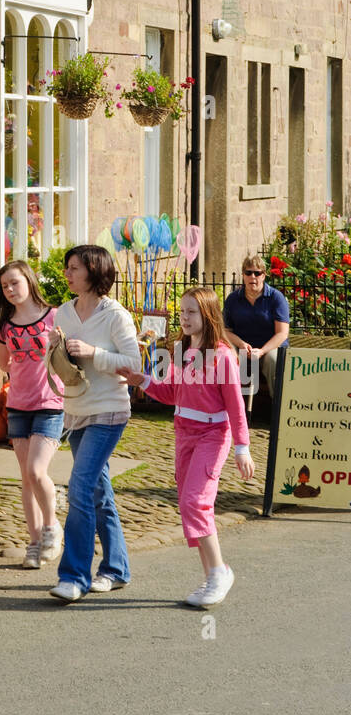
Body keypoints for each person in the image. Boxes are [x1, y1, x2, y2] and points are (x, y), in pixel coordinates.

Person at [120, 286, 255, 608]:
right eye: (182, 312)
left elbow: (236, 407)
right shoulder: (183, 351)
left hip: (212, 435)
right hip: (184, 434)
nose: (184, 318)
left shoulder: (223, 356)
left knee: (196, 501)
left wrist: (242, 447)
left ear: (208, 315)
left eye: (191, 312)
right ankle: (212, 575)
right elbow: (172, 394)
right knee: (187, 503)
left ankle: (219, 572)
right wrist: (144, 381)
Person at [48, 246, 141, 603]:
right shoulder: (64, 312)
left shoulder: (115, 315)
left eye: (74, 268)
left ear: (94, 271)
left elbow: (133, 364)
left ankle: (73, 576)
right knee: (99, 493)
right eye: (67, 268)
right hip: (77, 411)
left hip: (109, 411)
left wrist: (92, 354)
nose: (68, 274)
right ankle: (116, 569)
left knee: (79, 488)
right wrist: (57, 350)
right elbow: (62, 363)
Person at [0, 260, 64, 569]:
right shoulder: (3, 327)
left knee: (36, 471)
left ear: (29, 281)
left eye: (15, 283)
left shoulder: (55, 316)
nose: (10, 290)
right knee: (26, 478)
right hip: (18, 404)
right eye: (5, 286)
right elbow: (5, 365)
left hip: (50, 403)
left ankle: (51, 526)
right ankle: (33, 542)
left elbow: (68, 355)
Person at [222, 254, 289, 414]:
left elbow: (282, 333)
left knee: (273, 360)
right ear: (243, 275)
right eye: (248, 272)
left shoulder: (275, 298)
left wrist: (262, 351)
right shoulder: (233, 299)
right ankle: (226, 404)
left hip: (270, 347)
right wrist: (241, 344)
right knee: (224, 353)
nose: (253, 276)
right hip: (243, 348)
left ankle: (278, 408)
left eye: (257, 273)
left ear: (264, 275)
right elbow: (225, 331)